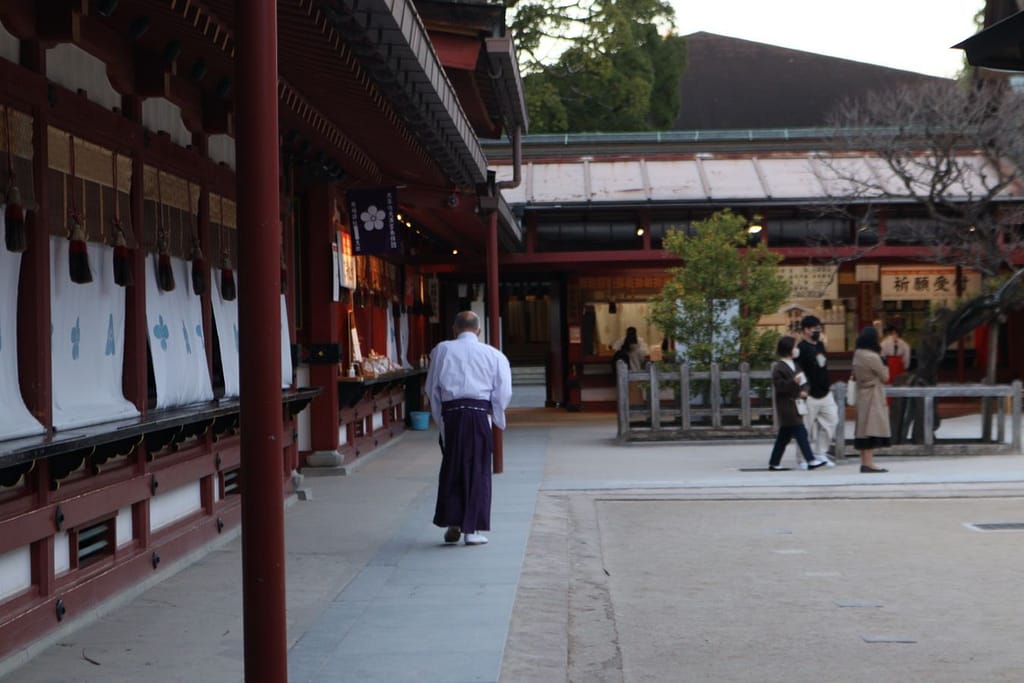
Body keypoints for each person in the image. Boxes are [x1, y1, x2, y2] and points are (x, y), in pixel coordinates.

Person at [425, 310, 512, 545]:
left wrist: (440, 419)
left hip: (452, 414)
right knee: (478, 469)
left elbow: (431, 388)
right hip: (478, 414)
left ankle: (453, 522)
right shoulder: (494, 355)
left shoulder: (441, 350)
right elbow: (503, 391)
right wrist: (495, 414)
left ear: (454, 328)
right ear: (479, 330)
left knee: (452, 466)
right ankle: (471, 530)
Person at [769, 336, 830, 471]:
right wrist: (793, 382)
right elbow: (780, 386)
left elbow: (804, 382)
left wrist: (805, 390)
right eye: (794, 347)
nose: (797, 350)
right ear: (788, 349)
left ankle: (774, 462)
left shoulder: (795, 365)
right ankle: (810, 460)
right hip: (786, 405)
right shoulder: (779, 367)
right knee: (800, 431)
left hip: (797, 403)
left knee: (784, 436)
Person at [794, 315, 838, 468]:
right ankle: (803, 458)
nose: (817, 331)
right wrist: (802, 389)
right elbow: (797, 371)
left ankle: (820, 453)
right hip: (808, 394)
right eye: (815, 329)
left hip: (825, 391)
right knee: (805, 428)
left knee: (831, 421)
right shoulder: (800, 349)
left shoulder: (820, 345)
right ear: (806, 330)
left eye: (819, 328)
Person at [852, 325, 891, 473]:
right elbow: (885, 377)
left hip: (862, 392)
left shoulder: (858, 354)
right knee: (871, 428)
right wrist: (884, 363)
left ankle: (864, 462)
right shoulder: (873, 357)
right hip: (873, 394)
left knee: (863, 429)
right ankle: (869, 463)